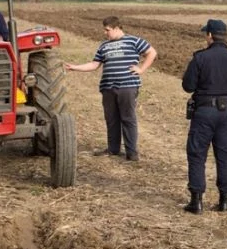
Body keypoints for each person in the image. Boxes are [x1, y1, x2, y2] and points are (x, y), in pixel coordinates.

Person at [63, 16, 157, 161]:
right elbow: (94, 65)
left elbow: (152, 53)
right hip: (108, 88)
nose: (105, 33)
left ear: (116, 28)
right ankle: (113, 149)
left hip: (127, 86)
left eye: (107, 30)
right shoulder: (103, 46)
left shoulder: (134, 41)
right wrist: (74, 67)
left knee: (128, 118)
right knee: (111, 119)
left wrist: (141, 69)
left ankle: (132, 153)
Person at [181, 19, 227, 214]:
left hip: (204, 111)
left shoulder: (200, 58)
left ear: (209, 35)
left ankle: (196, 201)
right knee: (224, 156)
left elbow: (188, 86)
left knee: (197, 154)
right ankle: (225, 201)